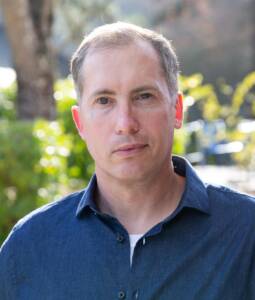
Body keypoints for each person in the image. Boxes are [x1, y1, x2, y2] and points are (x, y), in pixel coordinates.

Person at [0, 22, 254, 300]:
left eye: (144, 96)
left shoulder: (247, 234)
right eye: (104, 100)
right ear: (80, 122)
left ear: (177, 110)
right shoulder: (28, 247)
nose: (125, 124)